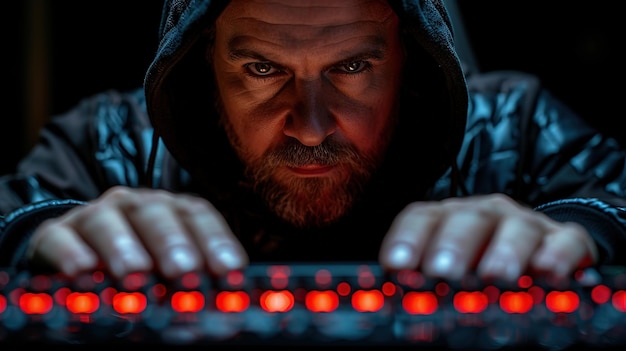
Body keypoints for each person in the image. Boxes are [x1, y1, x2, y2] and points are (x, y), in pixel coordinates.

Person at [0, 0, 625, 285]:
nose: (311, 125)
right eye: (263, 70)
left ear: (409, 64)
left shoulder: (512, 125)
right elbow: (17, 213)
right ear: (203, 67)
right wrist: (35, 233)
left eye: (351, 68)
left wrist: (583, 227)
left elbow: (611, 199)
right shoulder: (111, 143)